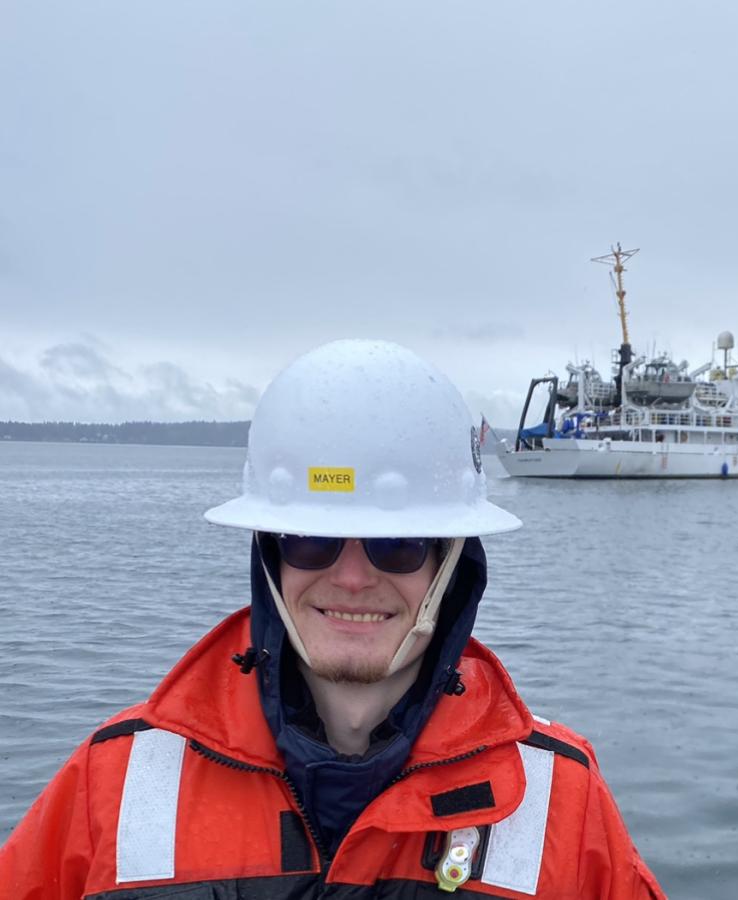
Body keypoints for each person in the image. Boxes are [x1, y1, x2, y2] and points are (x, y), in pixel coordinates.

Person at [0, 339, 664, 899]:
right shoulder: (111, 785)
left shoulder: (563, 806)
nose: (352, 577)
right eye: (311, 541)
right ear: (270, 554)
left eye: (396, 546)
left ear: (449, 563)